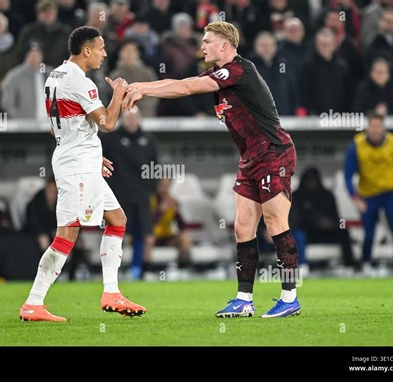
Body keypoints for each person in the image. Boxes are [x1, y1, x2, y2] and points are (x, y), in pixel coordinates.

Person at [123, 21, 301, 318]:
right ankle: (244, 299)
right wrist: (141, 87)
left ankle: (289, 296)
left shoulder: (240, 70)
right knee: (243, 227)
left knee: (274, 222)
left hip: (274, 152)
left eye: (207, 41)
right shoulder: (221, 77)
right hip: (250, 159)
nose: (202, 46)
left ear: (225, 45)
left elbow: (187, 86)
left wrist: (142, 88)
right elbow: (183, 84)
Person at [20, 26, 146, 322]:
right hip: (76, 164)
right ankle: (33, 302)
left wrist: (92, 152)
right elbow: (108, 122)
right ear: (86, 50)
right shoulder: (82, 82)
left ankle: (111, 292)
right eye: (101, 48)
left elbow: (59, 125)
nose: (104, 53)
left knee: (117, 219)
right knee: (68, 231)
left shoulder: (55, 75)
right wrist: (118, 93)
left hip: (78, 157)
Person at [344, 113, 393, 274]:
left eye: (378, 126)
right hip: (369, 194)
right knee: (369, 232)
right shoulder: (357, 144)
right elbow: (348, 174)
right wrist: (355, 198)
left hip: (392, 193)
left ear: (383, 128)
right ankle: (366, 263)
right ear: (367, 127)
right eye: (372, 126)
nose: (375, 130)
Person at [100, 106, 158, 279]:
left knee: (143, 235)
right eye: (128, 118)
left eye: (134, 118)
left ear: (139, 119)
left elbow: (155, 166)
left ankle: (137, 269)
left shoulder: (148, 140)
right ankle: (113, 272)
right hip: (118, 196)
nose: (131, 121)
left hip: (141, 197)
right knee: (118, 233)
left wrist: (151, 188)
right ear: (122, 120)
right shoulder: (110, 139)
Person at [290, 167, 355, 276]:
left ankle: (350, 266)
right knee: (298, 233)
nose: (312, 182)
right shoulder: (296, 196)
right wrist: (316, 222)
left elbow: (337, 218)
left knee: (344, 231)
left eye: (314, 179)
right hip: (307, 232)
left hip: (325, 232)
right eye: (309, 180)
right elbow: (295, 221)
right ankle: (303, 267)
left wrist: (331, 224)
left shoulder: (327, 196)